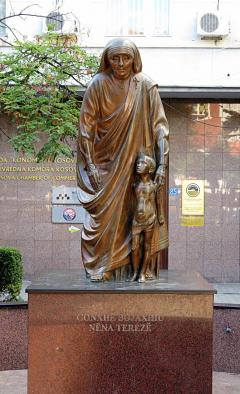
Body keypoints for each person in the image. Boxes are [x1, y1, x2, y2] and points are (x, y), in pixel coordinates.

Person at [77, 38, 169, 281]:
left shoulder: (145, 86)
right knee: (104, 217)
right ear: (107, 60)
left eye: (125, 58)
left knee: (135, 215)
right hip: (104, 162)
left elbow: (160, 127)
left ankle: (136, 270)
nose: (120, 63)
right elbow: (86, 128)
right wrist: (90, 164)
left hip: (137, 164)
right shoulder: (97, 85)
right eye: (114, 58)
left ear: (134, 59)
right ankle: (103, 266)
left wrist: (162, 164)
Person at [131, 154, 157, 283]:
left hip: (150, 218)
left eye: (142, 163)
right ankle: (135, 272)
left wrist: (160, 217)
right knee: (134, 248)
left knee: (147, 247)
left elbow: (157, 203)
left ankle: (142, 273)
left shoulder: (154, 186)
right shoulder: (134, 184)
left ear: (150, 168)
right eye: (137, 163)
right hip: (136, 220)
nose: (138, 165)